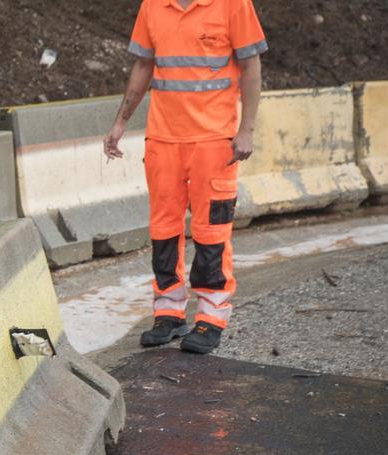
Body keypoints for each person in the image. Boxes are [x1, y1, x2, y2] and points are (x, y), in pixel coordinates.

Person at [104, 0, 267, 354]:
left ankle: (211, 316)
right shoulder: (153, 6)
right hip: (163, 138)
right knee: (163, 228)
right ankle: (168, 311)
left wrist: (247, 130)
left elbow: (251, 65)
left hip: (214, 140)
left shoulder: (233, 5)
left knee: (211, 230)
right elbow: (143, 64)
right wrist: (121, 121)